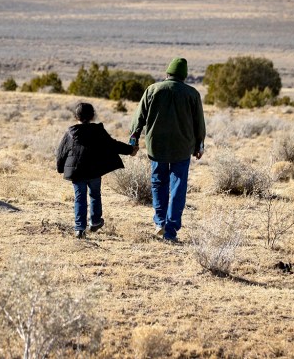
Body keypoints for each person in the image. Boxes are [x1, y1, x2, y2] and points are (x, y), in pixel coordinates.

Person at [129, 57, 206, 242]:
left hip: (157, 146)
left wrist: (134, 138)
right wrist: (199, 145)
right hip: (182, 147)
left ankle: (159, 222)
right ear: (184, 75)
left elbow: (138, 117)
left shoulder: (153, 89)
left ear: (167, 73)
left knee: (158, 182)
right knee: (178, 187)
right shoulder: (192, 93)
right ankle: (171, 231)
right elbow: (199, 124)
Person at [56, 102, 137, 238]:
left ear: (76, 116)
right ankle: (95, 221)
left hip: (77, 171)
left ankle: (79, 228)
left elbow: (60, 152)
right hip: (94, 170)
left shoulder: (70, 133)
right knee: (95, 195)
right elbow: (112, 145)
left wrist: (60, 168)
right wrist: (130, 150)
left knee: (79, 198)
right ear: (93, 116)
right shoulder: (98, 131)